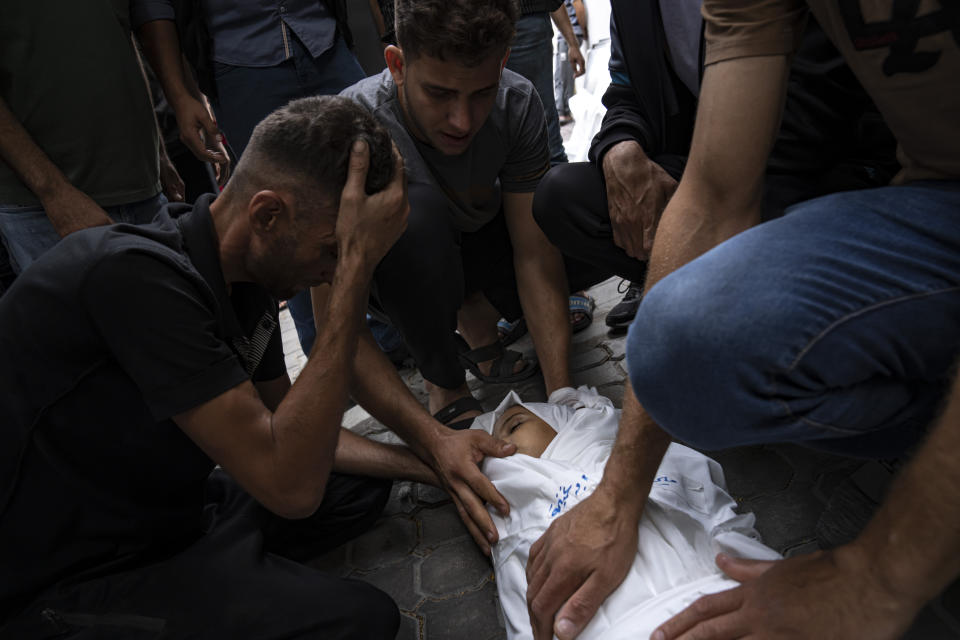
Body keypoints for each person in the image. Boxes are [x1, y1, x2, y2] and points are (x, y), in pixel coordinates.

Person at [524, 2, 960, 639]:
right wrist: (618, 496)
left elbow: (795, 142)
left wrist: (879, 577)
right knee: (678, 342)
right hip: (934, 203)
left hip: (830, 176)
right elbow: (716, 192)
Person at [0, 96, 434, 638]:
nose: (329, 273)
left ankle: (228, 574)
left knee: (356, 486)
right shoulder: (132, 278)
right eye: (331, 251)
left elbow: (287, 425)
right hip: (70, 571)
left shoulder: (243, 280)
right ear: (267, 214)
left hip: (169, 517)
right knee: (362, 620)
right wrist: (355, 272)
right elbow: (290, 488)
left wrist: (429, 461)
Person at [334, 0, 603, 456]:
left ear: (501, 62)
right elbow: (337, 323)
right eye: (439, 94)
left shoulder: (516, 102)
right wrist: (430, 445)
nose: (462, 120)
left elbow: (534, 254)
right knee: (414, 215)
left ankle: (477, 313)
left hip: (479, 244)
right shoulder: (354, 126)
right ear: (397, 65)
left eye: (481, 93)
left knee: (563, 203)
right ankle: (444, 379)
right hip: (401, 266)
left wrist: (562, 396)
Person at [534, 0, 898, 330]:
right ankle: (688, 286)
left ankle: (712, 291)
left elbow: (822, 96)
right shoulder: (633, 9)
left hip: (811, 164)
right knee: (561, 196)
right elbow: (627, 91)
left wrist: (707, 198)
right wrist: (619, 146)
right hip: (703, 172)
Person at [134, 0, 374, 356]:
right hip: (240, 61)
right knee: (281, 217)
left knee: (372, 175)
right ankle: (329, 355)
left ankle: (395, 334)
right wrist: (180, 96)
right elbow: (155, 7)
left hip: (321, 34)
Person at [475, 388, 779, 639]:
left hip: (718, 600)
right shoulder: (508, 507)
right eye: (488, 452)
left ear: (569, 424)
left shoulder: (647, 460)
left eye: (514, 425)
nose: (499, 447)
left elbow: (712, 507)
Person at [0, 0, 227, 276]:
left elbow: (122, 35)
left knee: (176, 313)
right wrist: (54, 194)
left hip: (143, 188)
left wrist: (158, 154)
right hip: (43, 210)